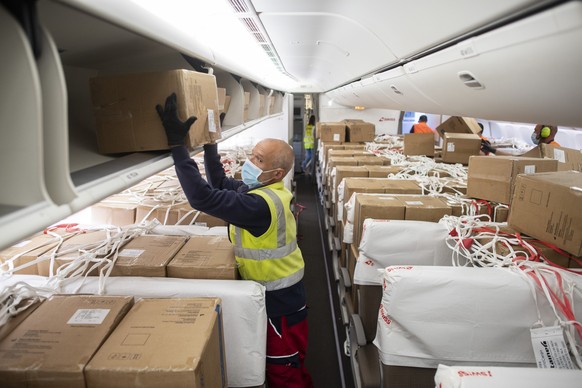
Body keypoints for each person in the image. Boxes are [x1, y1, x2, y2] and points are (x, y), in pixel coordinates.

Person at [156, 93, 313, 388]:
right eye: (252, 154)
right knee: (284, 366)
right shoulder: (262, 192)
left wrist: (178, 148)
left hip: (280, 303)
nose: (250, 162)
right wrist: (211, 143)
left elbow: (201, 197)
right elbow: (218, 184)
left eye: (258, 159)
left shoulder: (259, 206)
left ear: (276, 172)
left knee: (285, 371)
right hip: (279, 296)